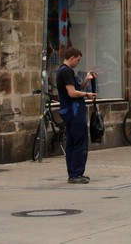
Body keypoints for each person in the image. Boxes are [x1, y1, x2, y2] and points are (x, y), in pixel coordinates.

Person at [56, 47, 96, 184]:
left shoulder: (65, 71)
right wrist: (87, 95)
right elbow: (72, 93)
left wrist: (86, 79)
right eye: (78, 60)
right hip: (73, 111)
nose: (78, 63)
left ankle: (73, 172)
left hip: (70, 111)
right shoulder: (66, 71)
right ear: (72, 58)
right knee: (80, 141)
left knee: (72, 142)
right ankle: (76, 173)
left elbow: (78, 87)